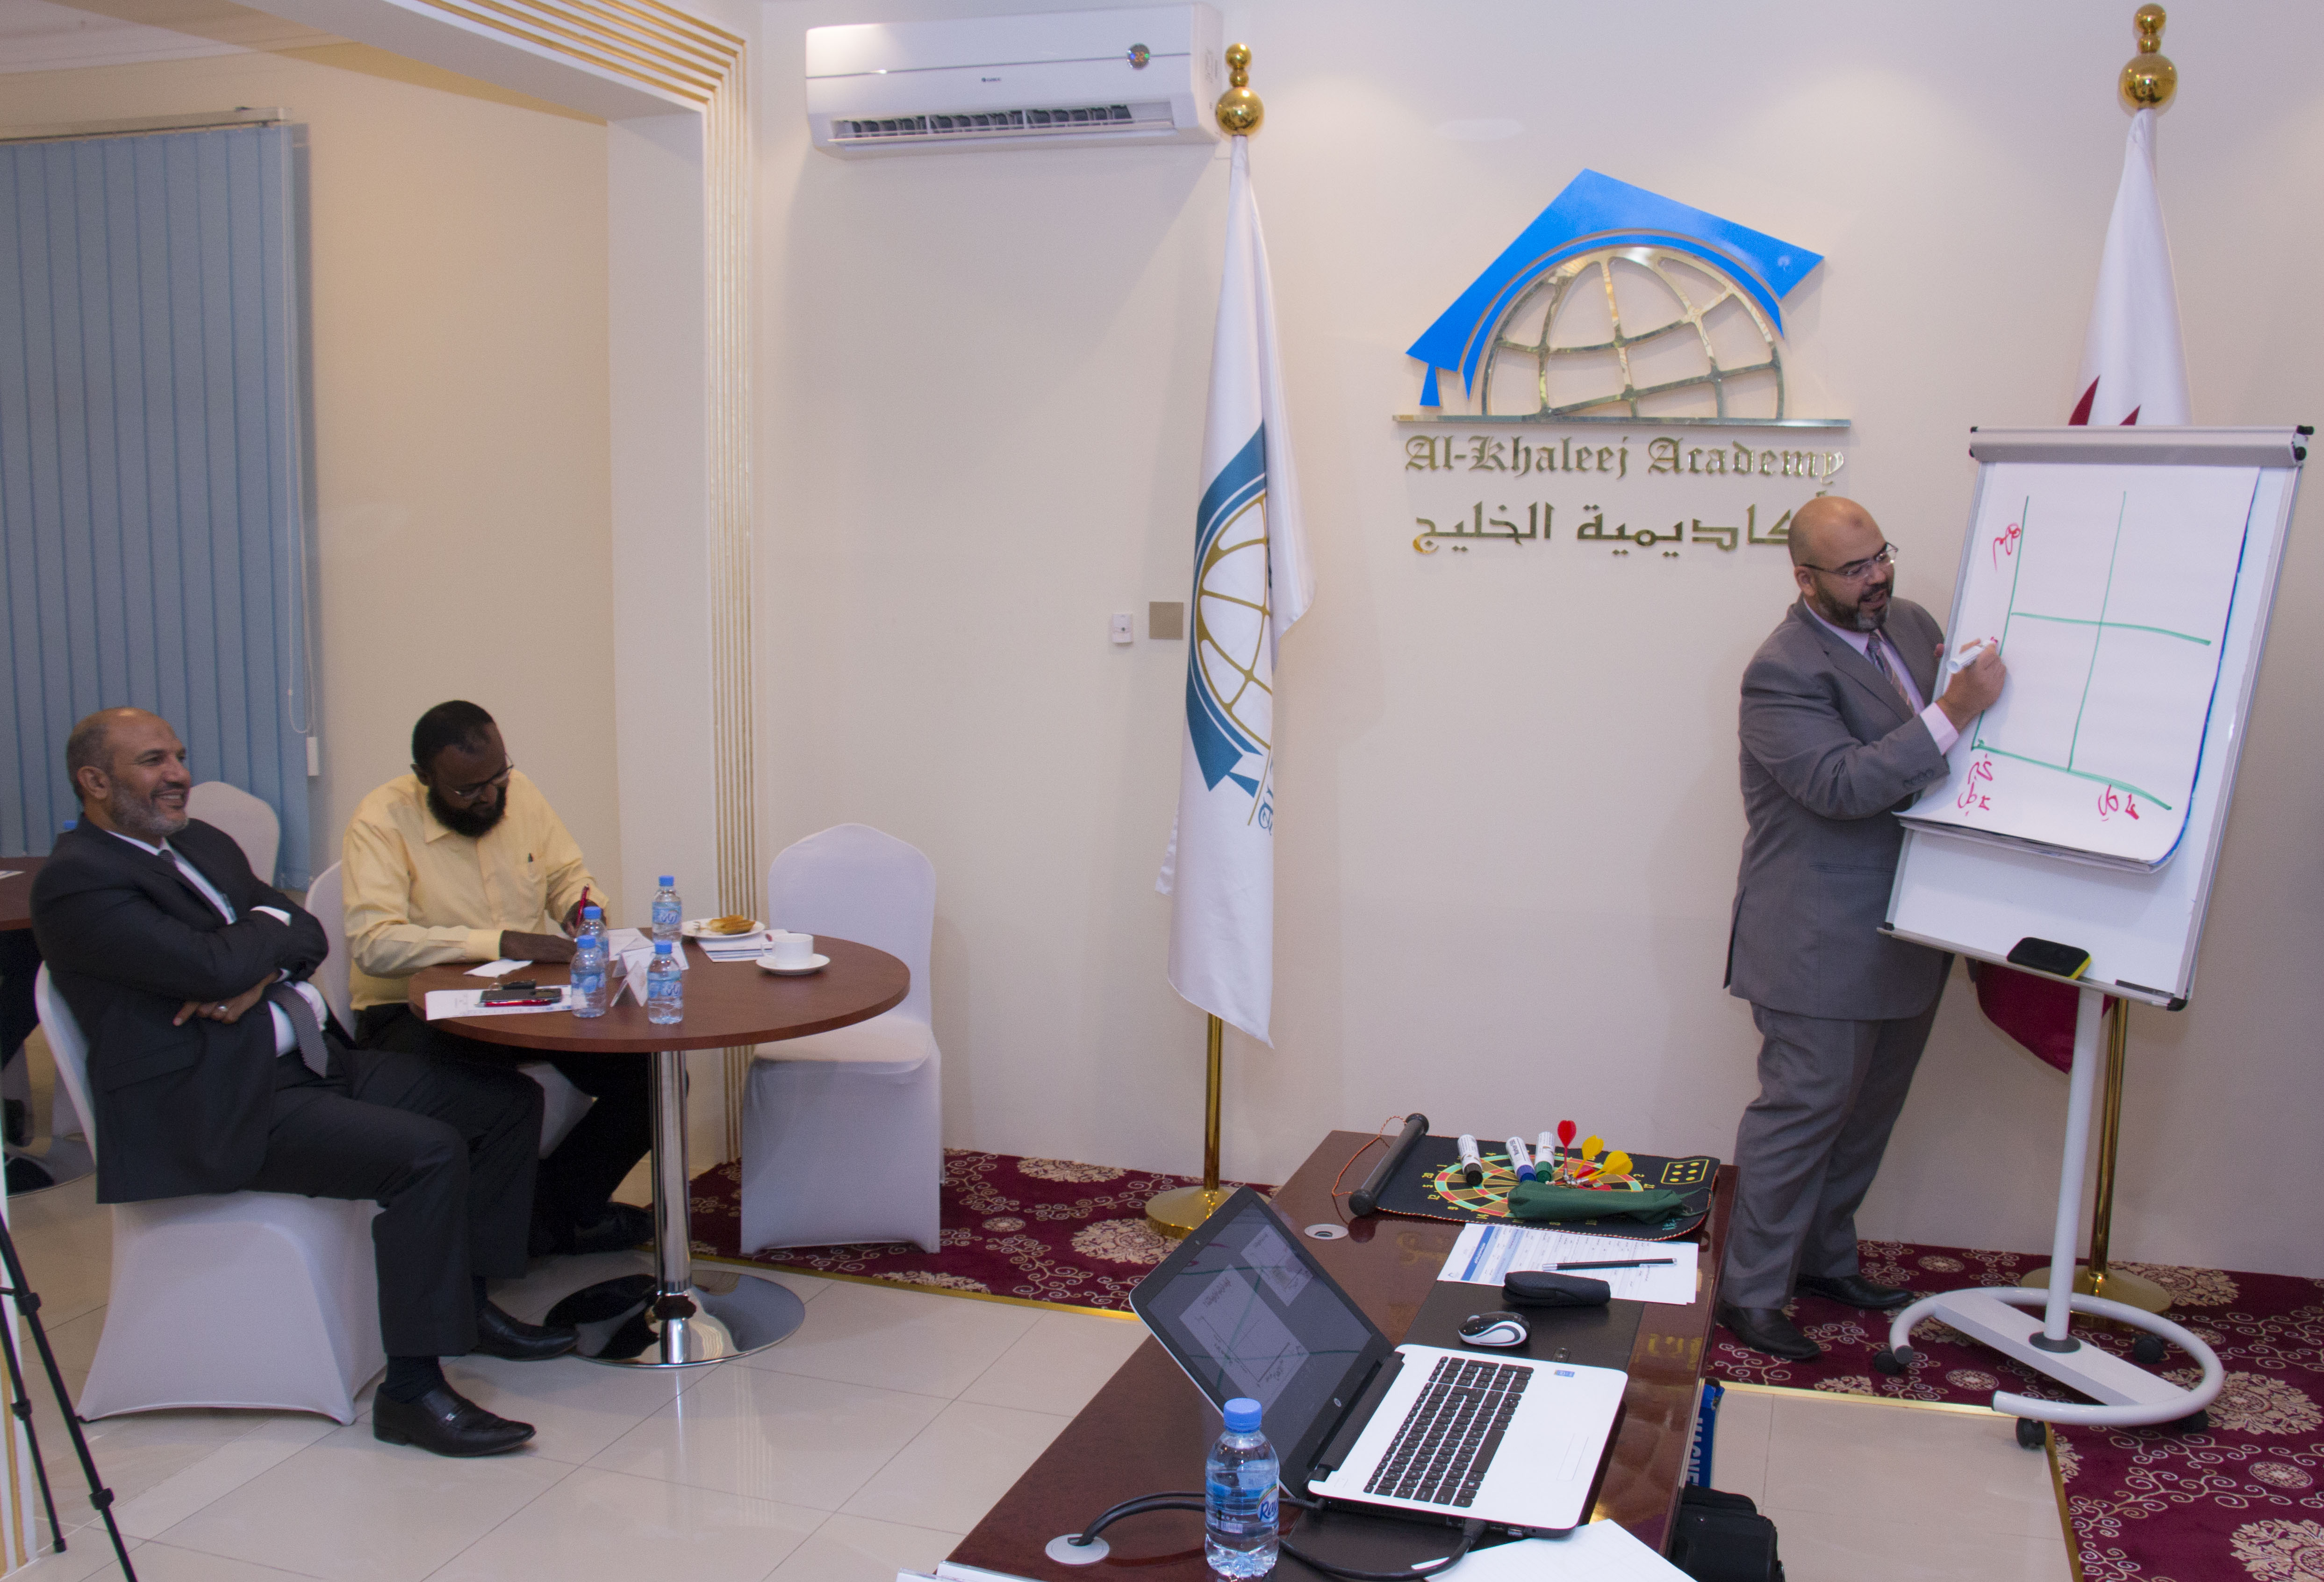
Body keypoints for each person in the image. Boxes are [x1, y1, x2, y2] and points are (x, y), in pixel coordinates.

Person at [32, 708, 575, 1457]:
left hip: (309, 1063)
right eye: (154, 761)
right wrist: (253, 946)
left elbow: (306, 931)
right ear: (95, 781)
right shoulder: (77, 881)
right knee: (428, 1153)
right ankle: (412, 1392)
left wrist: (249, 963)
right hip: (218, 1100)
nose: (179, 774)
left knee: (506, 1102)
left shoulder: (198, 841)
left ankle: (467, 1307)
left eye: (179, 755)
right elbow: (218, 964)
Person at [1716, 496, 2008, 1362]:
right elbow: (1840, 785)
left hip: (1909, 930)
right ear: (1805, 579)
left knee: (1866, 1117)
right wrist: (1954, 710)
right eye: (1854, 569)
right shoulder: (1780, 672)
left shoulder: (1911, 623)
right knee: (1801, 1117)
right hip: (1818, 940)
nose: (1878, 577)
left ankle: (1822, 1260)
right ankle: (1749, 1293)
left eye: (1881, 555)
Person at [343, 702, 651, 1256]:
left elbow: (566, 875)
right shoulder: (380, 821)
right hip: (417, 1014)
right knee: (501, 1099)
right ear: (424, 778)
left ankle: (554, 1215)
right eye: (468, 790)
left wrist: (582, 907)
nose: (489, 797)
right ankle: (504, 1241)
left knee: (650, 1078)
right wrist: (500, 941)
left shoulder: (520, 792)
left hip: (523, 1000)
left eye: (497, 777)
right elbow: (374, 943)